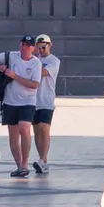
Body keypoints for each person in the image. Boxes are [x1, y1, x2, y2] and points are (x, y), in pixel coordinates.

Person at [3, 35, 43, 178]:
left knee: (24, 128)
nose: (24, 47)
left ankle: (25, 163)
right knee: (13, 134)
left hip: (27, 101)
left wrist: (15, 76)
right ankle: (19, 166)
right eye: (23, 44)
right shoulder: (12, 56)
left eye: (28, 45)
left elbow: (35, 84)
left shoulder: (35, 63)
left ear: (33, 48)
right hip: (10, 101)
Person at [32, 34, 61, 174]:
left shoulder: (54, 61)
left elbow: (42, 73)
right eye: (38, 48)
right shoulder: (33, 59)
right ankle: (43, 160)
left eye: (44, 47)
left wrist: (30, 63)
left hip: (46, 100)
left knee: (44, 128)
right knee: (37, 130)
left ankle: (42, 160)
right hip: (32, 100)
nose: (41, 50)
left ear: (50, 45)